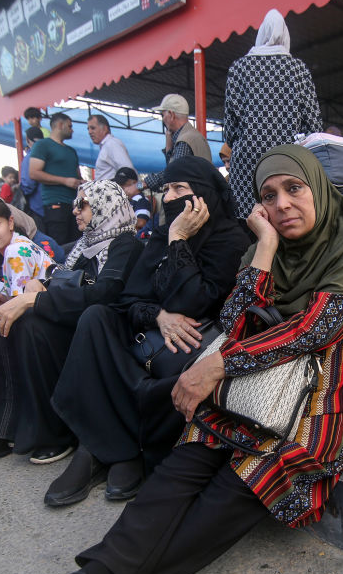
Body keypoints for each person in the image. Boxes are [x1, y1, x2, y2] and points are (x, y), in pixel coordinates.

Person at [0, 145, 343, 574]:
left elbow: (315, 331)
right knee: (196, 448)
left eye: (295, 188)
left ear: (319, 187)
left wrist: (213, 367)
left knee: (249, 471)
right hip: (266, 374)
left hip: (338, 390)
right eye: (269, 195)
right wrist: (265, 245)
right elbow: (238, 321)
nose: (283, 204)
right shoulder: (262, 245)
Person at [40, 157, 250, 505]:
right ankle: (108, 450)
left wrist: (179, 239)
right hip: (150, 335)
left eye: (179, 188)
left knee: (112, 351)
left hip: (185, 351)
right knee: (96, 317)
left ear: (207, 195)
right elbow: (128, 300)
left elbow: (197, 302)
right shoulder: (159, 234)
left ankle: (101, 449)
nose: (169, 198)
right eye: (166, 189)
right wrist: (158, 316)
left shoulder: (230, 238)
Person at [0, 182, 139, 466]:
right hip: (76, 318)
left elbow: (105, 293)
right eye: (74, 204)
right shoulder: (85, 244)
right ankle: (5, 426)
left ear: (105, 205)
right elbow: (67, 280)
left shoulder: (125, 243)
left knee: (28, 322)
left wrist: (32, 300)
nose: (75, 211)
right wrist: (40, 285)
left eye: (82, 204)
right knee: (8, 322)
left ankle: (54, 432)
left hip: (105, 329)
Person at [223, 9, 322, 219]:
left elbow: (230, 131)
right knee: (285, 217)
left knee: (248, 223)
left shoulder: (239, 68)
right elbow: (313, 127)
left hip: (246, 162)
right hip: (286, 159)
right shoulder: (297, 69)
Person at [0, 193, 58, 313]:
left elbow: (20, 311)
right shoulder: (17, 243)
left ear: (10, 222)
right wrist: (5, 301)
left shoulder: (15, 250)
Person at [29, 112, 83, 245]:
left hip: (75, 206)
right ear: (60, 125)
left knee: (77, 243)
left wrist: (82, 182)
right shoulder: (42, 145)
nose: (72, 130)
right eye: (70, 126)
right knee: (60, 244)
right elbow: (34, 173)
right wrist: (65, 181)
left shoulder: (71, 151)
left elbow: (78, 176)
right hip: (56, 204)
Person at [142, 94, 213, 192]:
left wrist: (144, 184)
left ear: (171, 115)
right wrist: (169, 146)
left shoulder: (185, 140)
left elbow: (173, 173)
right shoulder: (191, 136)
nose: (162, 119)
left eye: (163, 115)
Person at [88, 114, 135, 181]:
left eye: (93, 128)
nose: (89, 132)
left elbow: (128, 171)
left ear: (104, 128)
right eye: (88, 129)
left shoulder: (111, 144)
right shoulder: (106, 145)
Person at [112, 167, 153, 238]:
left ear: (135, 183)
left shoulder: (141, 200)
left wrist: (117, 221)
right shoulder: (122, 200)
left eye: (123, 185)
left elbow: (141, 222)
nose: (119, 188)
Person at [19, 126, 45, 223]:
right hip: (54, 208)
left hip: (37, 208)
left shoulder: (30, 157)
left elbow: (28, 185)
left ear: (27, 140)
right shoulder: (49, 154)